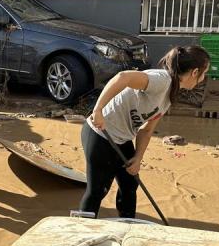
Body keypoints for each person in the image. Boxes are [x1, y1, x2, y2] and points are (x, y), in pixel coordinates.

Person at [80, 45, 210, 217]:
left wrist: (138, 158)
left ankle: (128, 227)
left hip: (122, 138)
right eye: (204, 73)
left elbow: (146, 130)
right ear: (195, 72)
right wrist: (98, 110)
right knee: (98, 189)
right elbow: (123, 77)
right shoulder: (161, 80)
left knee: (129, 185)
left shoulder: (169, 95)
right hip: (100, 133)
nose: (203, 78)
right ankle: (81, 231)